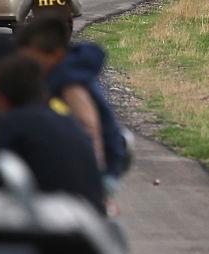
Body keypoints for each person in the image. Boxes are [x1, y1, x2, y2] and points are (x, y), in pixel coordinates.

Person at [17, 18, 128, 190]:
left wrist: (92, 177)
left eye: (33, 58)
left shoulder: (70, 83)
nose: (29, 65)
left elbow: (89, 129)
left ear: (56, 54)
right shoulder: (66, 73)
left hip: (95, 174)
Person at [0, 55, 105, 213]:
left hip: (55, 227)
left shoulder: (14, 122)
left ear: (1, 96)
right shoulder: (63, 117)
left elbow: (1, 180)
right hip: (91, 221)